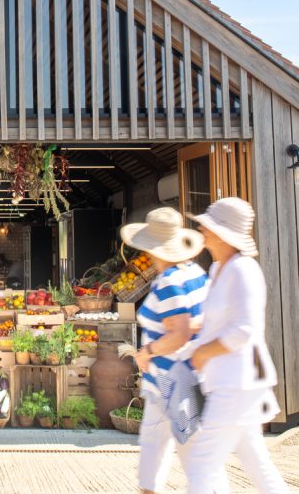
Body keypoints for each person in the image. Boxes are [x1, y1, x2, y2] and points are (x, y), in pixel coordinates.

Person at [184, 198, 289, 494]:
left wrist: (204, 351)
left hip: (237, 382)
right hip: (227, 381)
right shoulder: (218, 270)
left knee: (202, 464)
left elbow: (245, 329)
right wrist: (198, 327)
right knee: (257, 463)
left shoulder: (244, 270)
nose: (201, 228)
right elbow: (221, 318)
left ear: (222, 232)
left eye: (208, 225)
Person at [120, 207, 213, 494]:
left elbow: (180, 332)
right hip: (171, 379)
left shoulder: (170, 281)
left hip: (176, 379)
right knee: (153, 443)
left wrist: (147, 351)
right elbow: (200, 321)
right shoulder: (195, 272)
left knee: (192, 453)